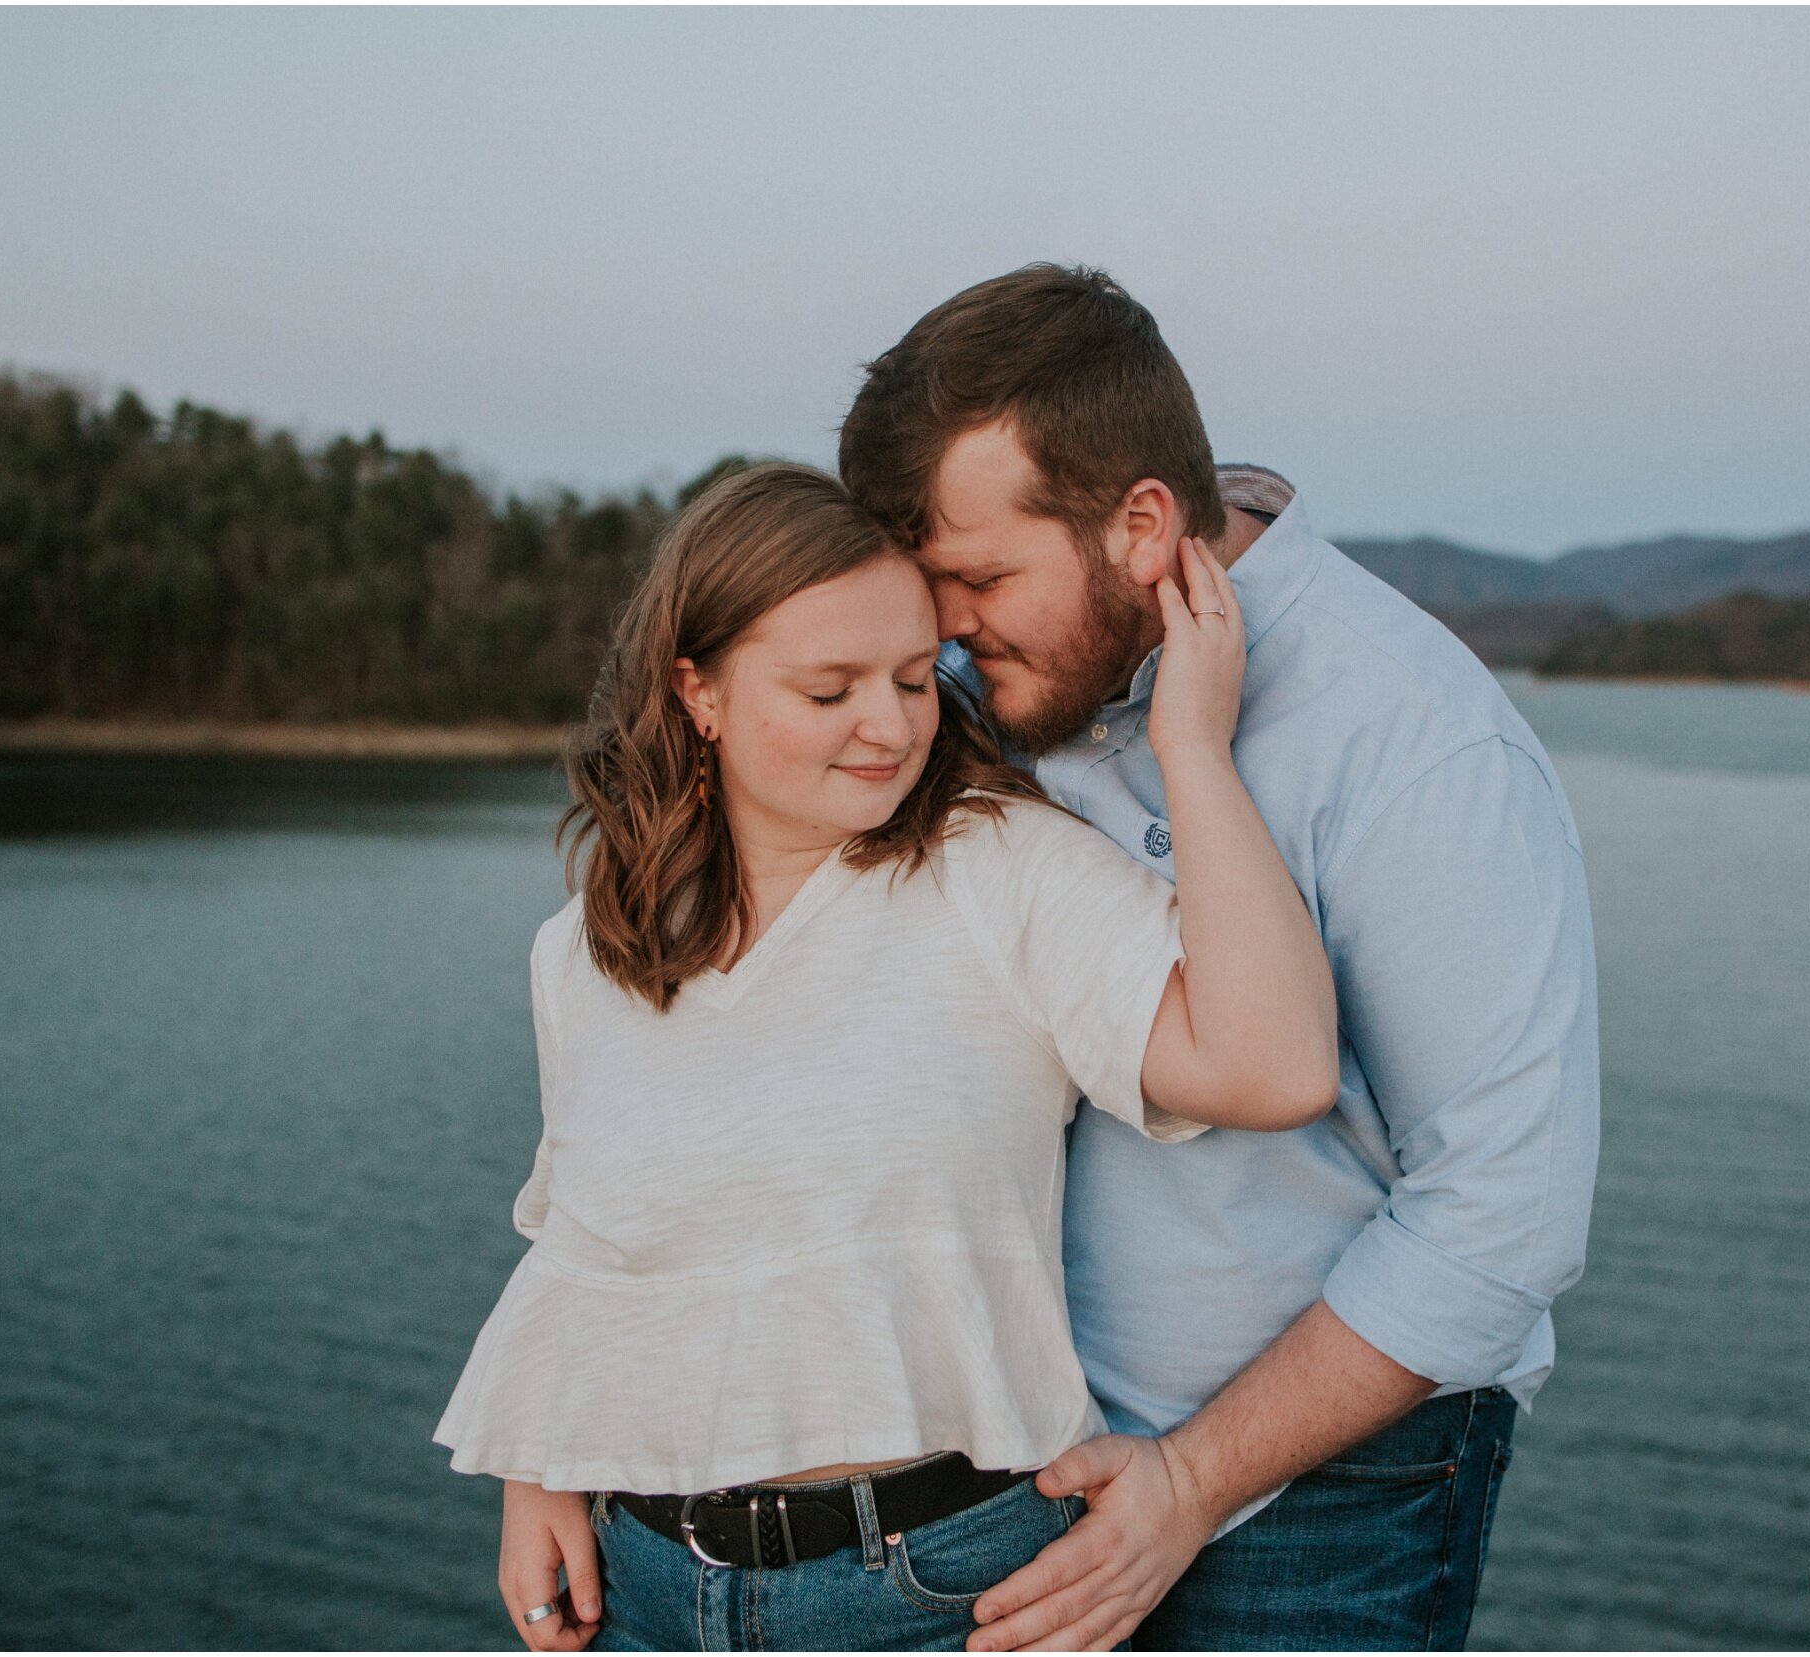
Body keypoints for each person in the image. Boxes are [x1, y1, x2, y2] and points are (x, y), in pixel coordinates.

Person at [431, 461, 1343, 1652]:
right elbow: (592, 1245)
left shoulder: (997, 867)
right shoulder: (591, 945)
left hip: (935, 1593)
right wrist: (537, 1468)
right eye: (830, 689)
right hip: (639, 1584)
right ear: (695, 690)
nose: (891, 723)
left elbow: (1272, 1066)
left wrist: (1194, 750)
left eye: (915, 677)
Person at [836, 264, 1602, 1651]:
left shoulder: (1416, 741)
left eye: (982, 577)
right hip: (1015, 1479)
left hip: (1318, 1502)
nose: (944, 627)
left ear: (1142, 525)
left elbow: (1508, 1214)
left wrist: (1193, 1479)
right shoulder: (980, 690)